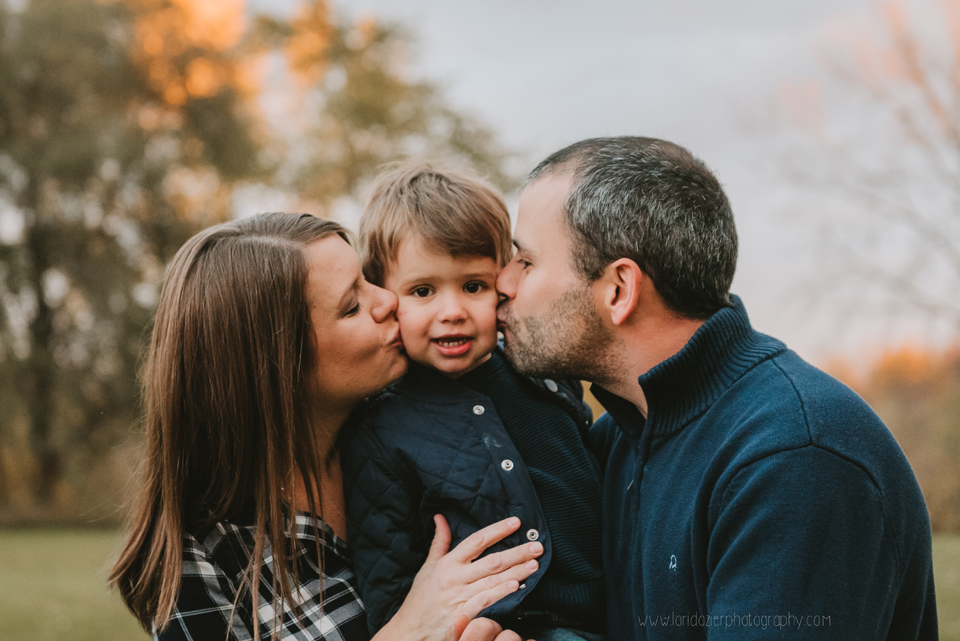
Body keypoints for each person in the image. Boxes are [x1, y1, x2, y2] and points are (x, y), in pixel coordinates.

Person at [495, 136, 939, 640]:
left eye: (525, 262)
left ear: (618, 290)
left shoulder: (794, 458)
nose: (501, 284)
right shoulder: (618, 440)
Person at [109, 212, 544, 641]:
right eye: (352, 306)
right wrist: (408, 631)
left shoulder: (430, 424)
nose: (388, 300)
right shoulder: (201, 561)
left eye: (367, 279)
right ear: (279, 367)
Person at [339, 161, 606, 640]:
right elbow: (391, 585)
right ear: (385, 295)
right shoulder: (381, 427)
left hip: (618, 611)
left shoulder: (543, 371)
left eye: (473, 286)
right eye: (422, 291)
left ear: (502, 280)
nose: (452, 312)